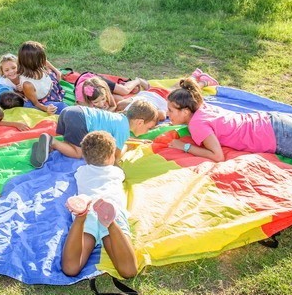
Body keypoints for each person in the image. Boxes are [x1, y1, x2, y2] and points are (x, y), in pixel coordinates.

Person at [166, 78, 292, 162]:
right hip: (273, 120)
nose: (168, 115)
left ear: (185, 111)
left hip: (280, 137)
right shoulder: (202, 105)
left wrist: (182, 147)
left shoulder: (197, 124)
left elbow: (217, 155)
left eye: (171, 110)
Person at [61, 131, 137, 278]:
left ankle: (80, 217)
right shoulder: (116, 172)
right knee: (129, 271)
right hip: (110, 207)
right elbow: (117, 164)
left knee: (70, 268)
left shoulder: (81, 171)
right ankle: (111, 223)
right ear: (111, 156)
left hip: (88, 205)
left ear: (84, 156)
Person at [29, 99, 159, 168]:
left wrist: (138, 142)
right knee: (79, 153)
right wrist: (128, 146)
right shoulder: (123, 129)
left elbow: (121, 138)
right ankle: (52, 142)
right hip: (79, 120)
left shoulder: (120, 119)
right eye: (149, 128)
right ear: (140, 122)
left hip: (71, 112)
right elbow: (115, 156)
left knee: (72, 142)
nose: (147, 132)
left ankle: (47, 146)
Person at [80, 68, 219, 118]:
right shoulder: (127, 105)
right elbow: (118, 107)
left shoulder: (154, 111)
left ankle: (202, 81)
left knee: (184, 90)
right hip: (151, 94)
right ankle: (195, 76)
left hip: (159, 96)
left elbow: (162, 114)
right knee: (176, 87)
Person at [17, 41, 67, 115]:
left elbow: (45, 62)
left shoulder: (37, 65)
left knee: (51, 73)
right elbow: (36, 103)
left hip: (50, 89)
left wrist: (57, 71)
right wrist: (46, 109)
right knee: (63, 108)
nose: (45, 59)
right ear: (33, 62)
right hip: (43, 101)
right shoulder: (28, 84)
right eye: (42, 58)